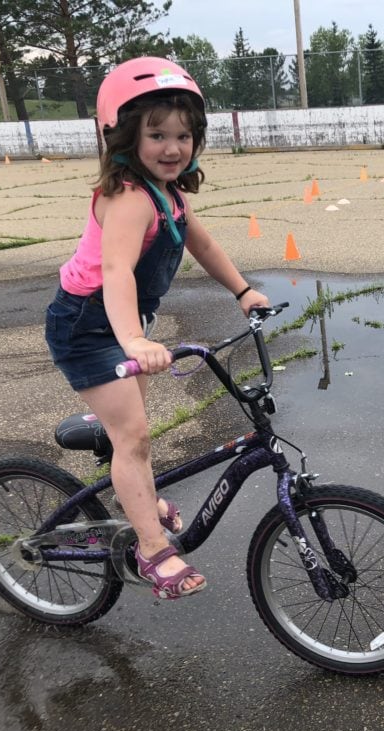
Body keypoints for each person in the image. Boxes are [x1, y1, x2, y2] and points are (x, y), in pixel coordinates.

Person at [45, 57, 269, 599]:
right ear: (121, 136)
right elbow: (117, 271)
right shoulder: (126, 198)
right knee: (134, 435)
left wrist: (242, 291)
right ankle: (150, 548)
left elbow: (204, 245)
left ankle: (133, 495)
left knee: (135, 434)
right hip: (87, 326)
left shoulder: (170, 195)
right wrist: (134, 341)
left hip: (124, 325)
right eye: (156, 134)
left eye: (183, 135)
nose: (173, 147)